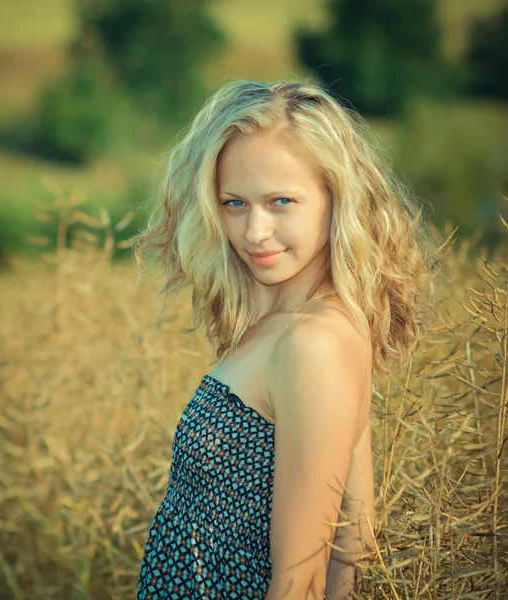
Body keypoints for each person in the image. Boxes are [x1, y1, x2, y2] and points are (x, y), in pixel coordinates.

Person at [133, 80, 446, 600]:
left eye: (281, 201)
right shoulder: (293, 323)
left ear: (337, 198)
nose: (255, 231)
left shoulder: (313, 344)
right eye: (234, 203)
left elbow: (301, 579)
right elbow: (353, 535)